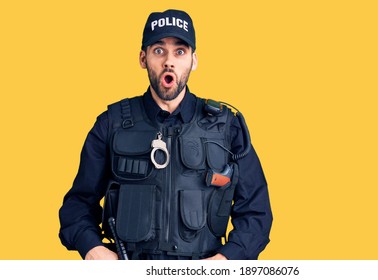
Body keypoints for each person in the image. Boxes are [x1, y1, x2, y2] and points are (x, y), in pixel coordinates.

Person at [59, 9, 272, 260]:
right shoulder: (111, 123)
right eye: (158, 51)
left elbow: (257, 213)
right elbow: (77, 205)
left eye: (180, 51)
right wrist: (93, 249)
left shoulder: (227, 127)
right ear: (143, 58)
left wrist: (225, 261)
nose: (169, 61)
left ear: (193, 60)